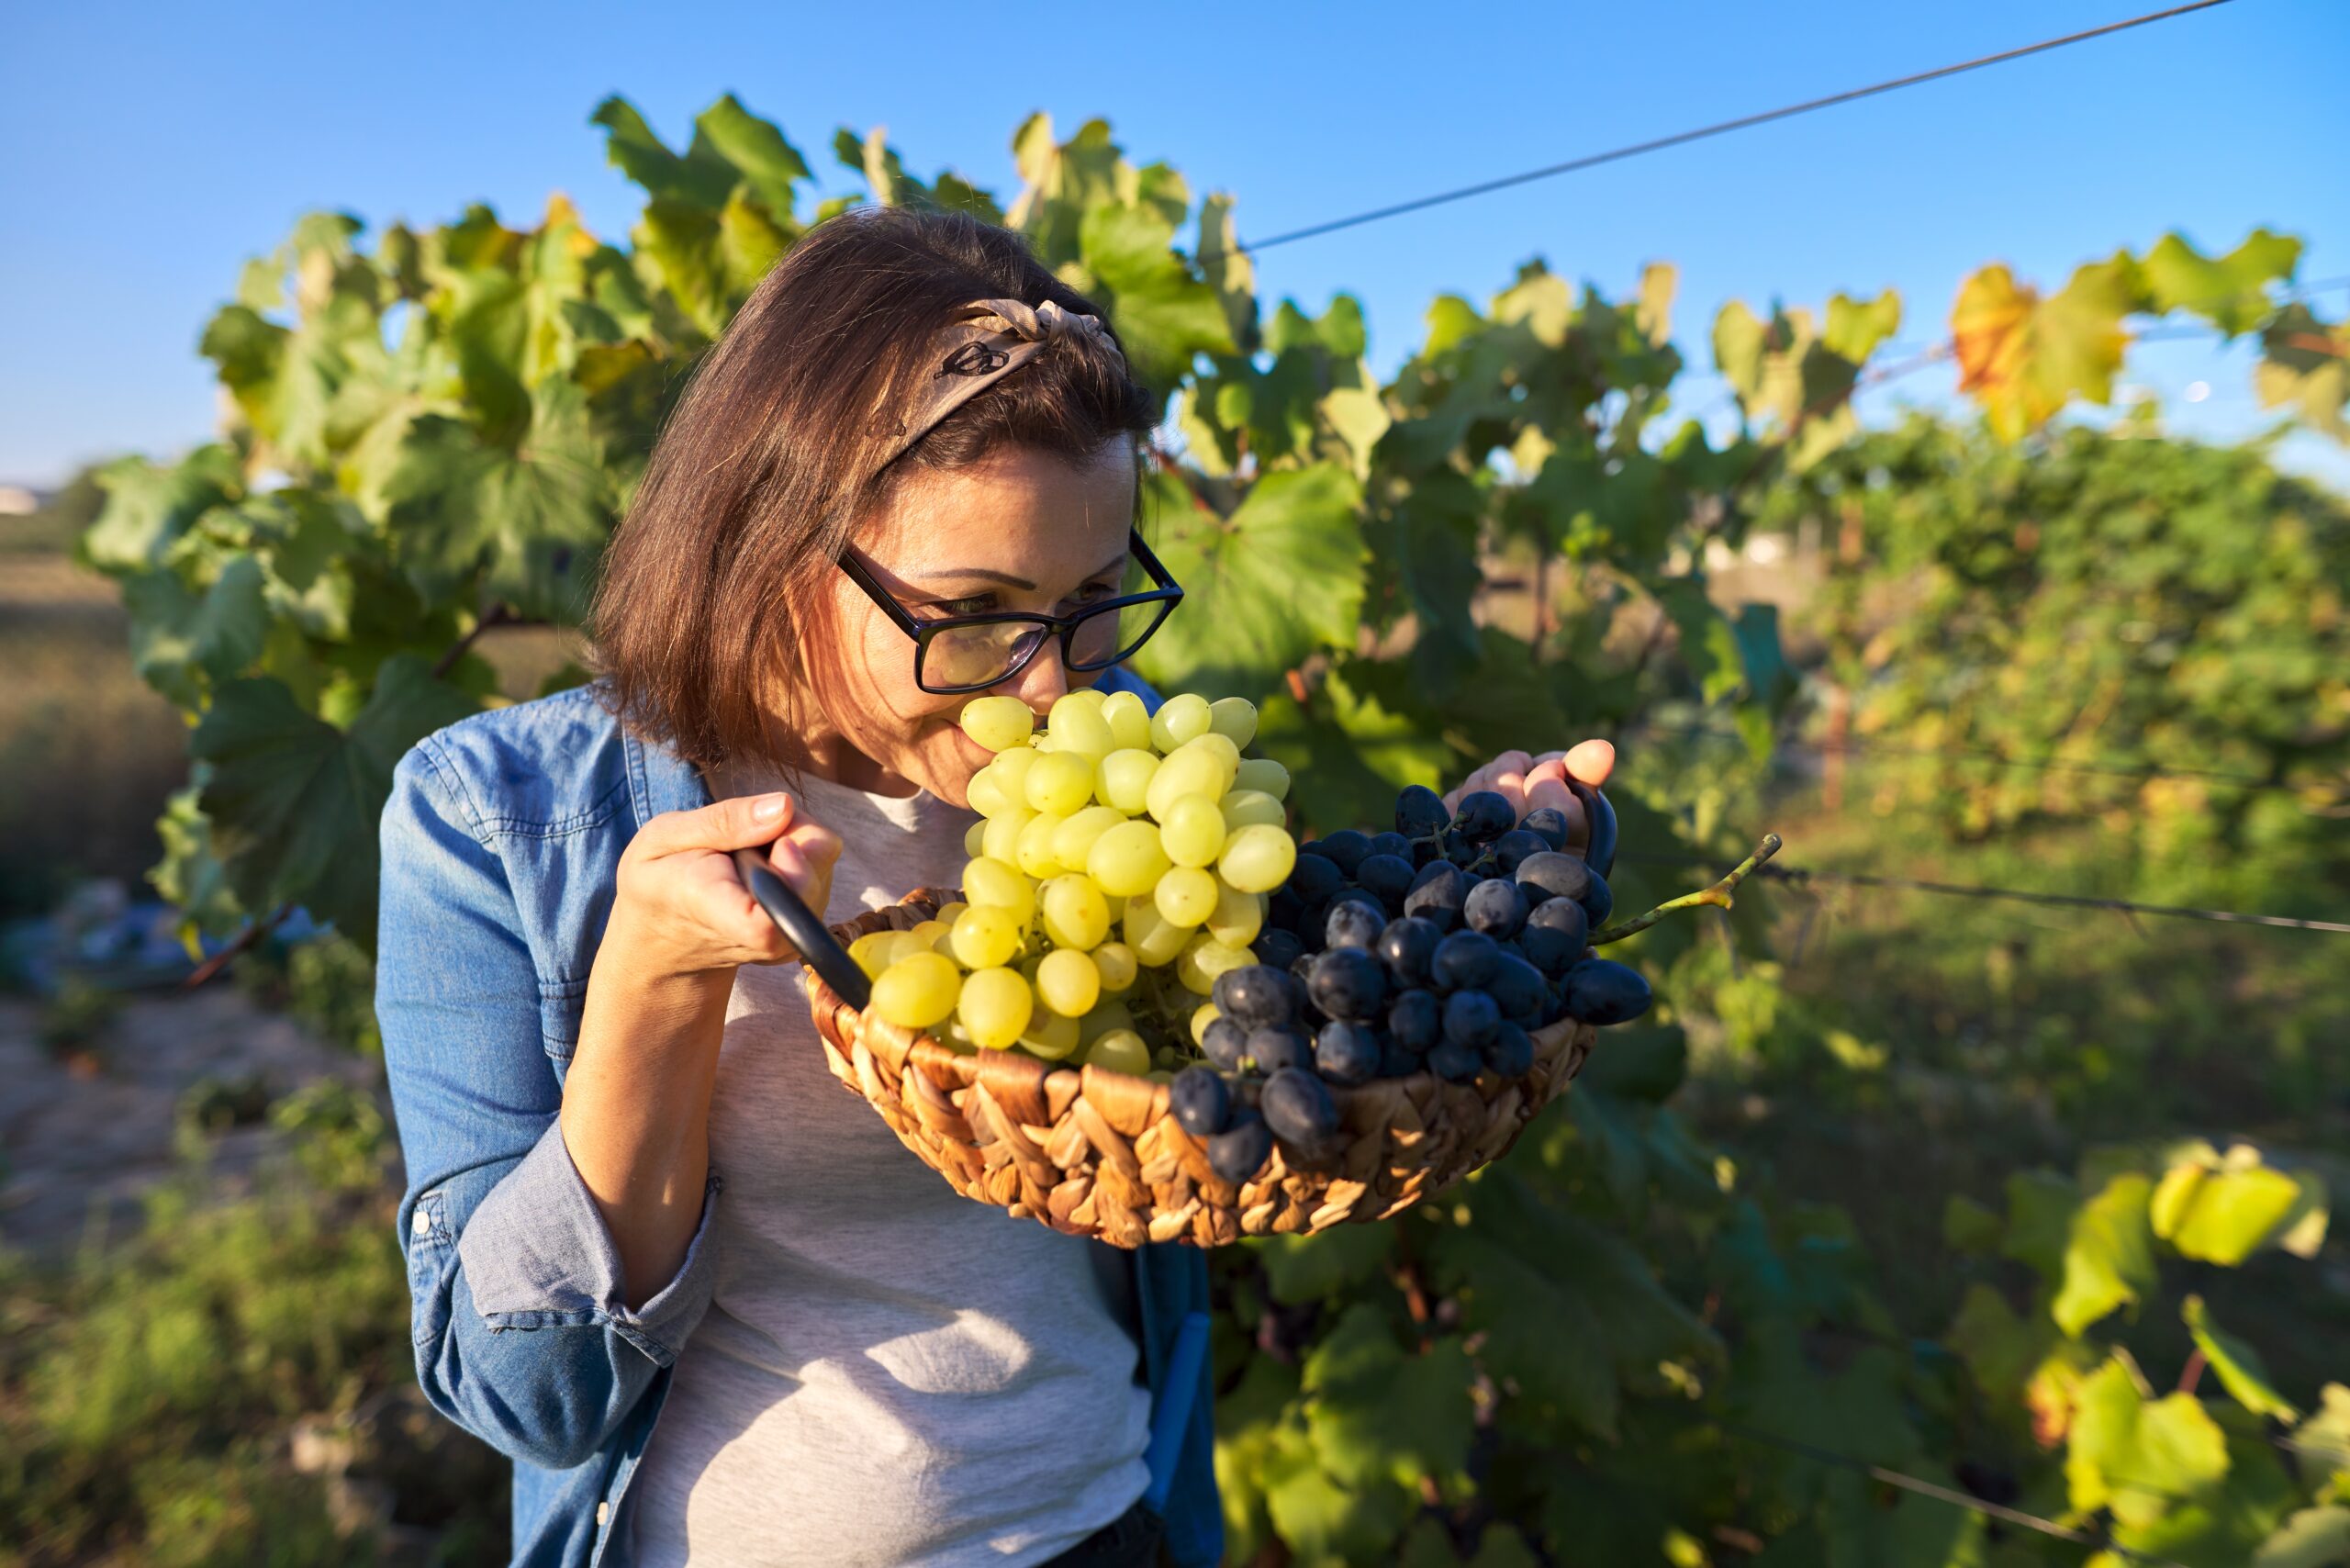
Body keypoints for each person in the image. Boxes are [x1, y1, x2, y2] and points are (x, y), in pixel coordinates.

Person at [375, 204, 1615, 1568]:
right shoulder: (499, 818)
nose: (1049, 686)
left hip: (1101, 1529)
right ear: (773, 546)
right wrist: (648, 993)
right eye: (972, 616)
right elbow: (527, 1401)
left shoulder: (1119, 755)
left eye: (1093, 598)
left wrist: (1460, 874)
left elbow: (1258, 1021)